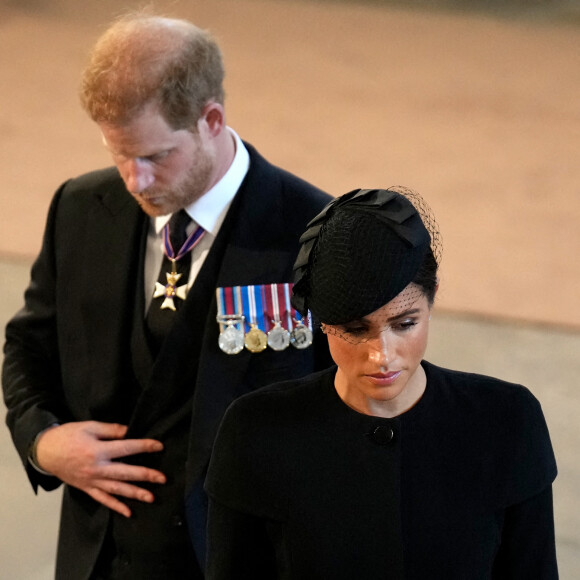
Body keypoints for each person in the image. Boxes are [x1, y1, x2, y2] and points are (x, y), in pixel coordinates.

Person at [1, 11, 333, 580]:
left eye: (155, 156)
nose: (136, 181)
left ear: (211, 119)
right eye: (118, 154)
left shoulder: (313, 232)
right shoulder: (81, 209)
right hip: (97, 561)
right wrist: (40, 440)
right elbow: (29, 344)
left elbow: (348, 407)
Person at [205, 187, 559, 579]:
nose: (382, 355)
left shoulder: (506, 422)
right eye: (356, 330)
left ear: (433, 297)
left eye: (404, 324)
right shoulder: (258, 430)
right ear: (321, 321)